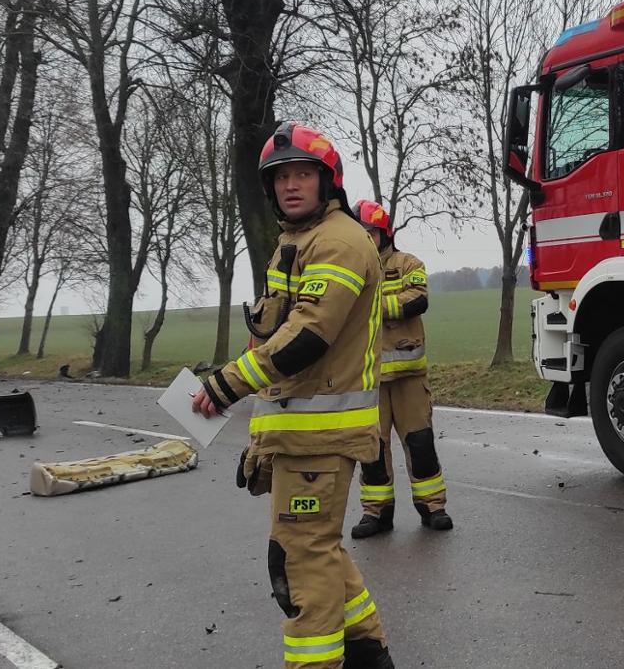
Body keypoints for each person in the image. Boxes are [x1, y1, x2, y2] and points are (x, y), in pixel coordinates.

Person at [190, 121, 395, 669]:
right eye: (280, 176)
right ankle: (371, 657)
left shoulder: (340, 241)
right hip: (301, 438)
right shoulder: (295, 243)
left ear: (328, 182)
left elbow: (308, 335)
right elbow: (275, 335)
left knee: (301, 563)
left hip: (321, 442)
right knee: (318, 554)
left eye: (303, 173)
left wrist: (229, 382)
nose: (291, 184)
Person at [348, 199, 452, 538]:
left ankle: (433, 508)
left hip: (409, 379)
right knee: (372, 452)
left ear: (384, 232)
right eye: (360, 233)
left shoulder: (409, 264)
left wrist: (370, 307)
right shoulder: (350, 269)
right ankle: (375, 514)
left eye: (370, 232)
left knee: (420, 444)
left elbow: (417, 301)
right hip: (369, 380)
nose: (365, 238)